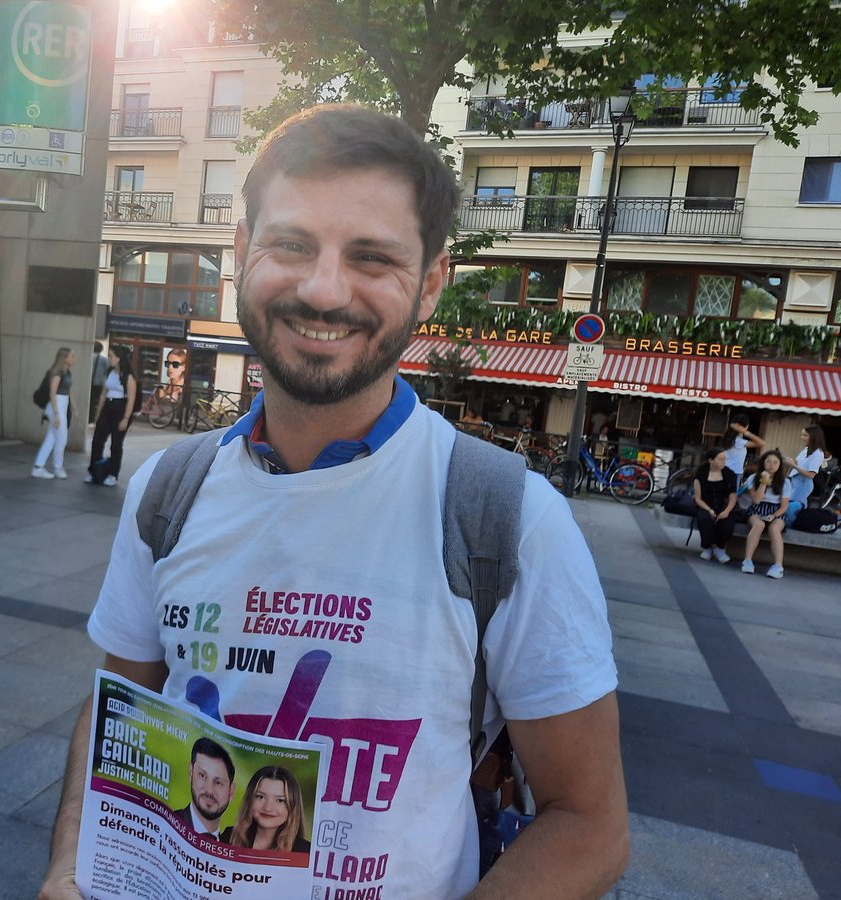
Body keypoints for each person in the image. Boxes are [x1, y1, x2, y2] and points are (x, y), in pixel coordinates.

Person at [39, 105, 627, 900]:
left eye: (372, 258)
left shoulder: (508, 520)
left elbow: (587, 823)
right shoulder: (167, 489)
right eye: (290, 245)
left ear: (429, 285)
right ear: (241, 252)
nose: (323, 290)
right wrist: (71, 867)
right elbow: (123, 706)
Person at [223, 766, 310, 853]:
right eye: (260, 797)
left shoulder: (304, 850)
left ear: (293, 807)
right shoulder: (229, 836)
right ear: (249, 800)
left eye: (280, 800)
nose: (268, 808)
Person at [85, 345, 136, 487]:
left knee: (116, 444)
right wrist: (98, 413)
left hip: (120, 408)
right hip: (108, 405)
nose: (109, 359)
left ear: (119, 358)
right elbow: (103, 393)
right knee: (97, 441)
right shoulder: (109, 372)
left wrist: (125, 419)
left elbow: (131, 399)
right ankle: (93, 471)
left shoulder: (129, 377)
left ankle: (113, 474)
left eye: (111, 356)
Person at [739, 449, 790, 578]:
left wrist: (773, 515)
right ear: (763, 463)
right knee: (758, 525)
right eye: (768, 462)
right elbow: (756, 500)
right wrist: (764, 482)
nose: (772, 465)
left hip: (776, 510)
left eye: (775, 462)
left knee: (774, 528)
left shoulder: (785, 482)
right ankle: (748, 561)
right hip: (758, 508)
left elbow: (784, 506)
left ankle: (778, 566)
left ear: (779, 465)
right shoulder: (752, 478)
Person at [171, 737, 235, 839]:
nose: (209, 790)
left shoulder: (233, 843)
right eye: (202, 776)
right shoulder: (169, 824)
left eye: (218, 783)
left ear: (231, 791)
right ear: (191, 773)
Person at [33, 347, 76, 479]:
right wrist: (57, 414)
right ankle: (58, 468)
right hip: (56, 409)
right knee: (61, 439)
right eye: (72, 356)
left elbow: (68, 391)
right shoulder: (57, 373)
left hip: (60, 408)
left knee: (51, 438)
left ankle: (38, 466)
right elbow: (53, 393)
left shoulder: (66, 372)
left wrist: (74, 407)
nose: (74, 358)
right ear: (64, 358)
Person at [692, 447, 738, 563]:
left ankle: (720, 548)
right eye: (720, 459)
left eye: (725, 459)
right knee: (704, 519)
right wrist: (709, 509)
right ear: (711, 460)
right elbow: (698, 498)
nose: (724, 462)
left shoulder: (729, 474)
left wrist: (727, 511)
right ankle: (707, 547)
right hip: (705, 504)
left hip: (723, 506)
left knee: (727, 523)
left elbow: (733, 496)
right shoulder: (701, 475)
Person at [782, 424, 825, 507]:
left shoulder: (817, 453)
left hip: (803, 484)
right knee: (788, 505)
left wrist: (794, 465)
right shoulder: (806, 449)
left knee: (792, 507)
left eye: (805, 435)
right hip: (795, 481)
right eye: (802, 435)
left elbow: (811, 475)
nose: (802, 438)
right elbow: (798, 463)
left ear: (814, 437)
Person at [725, 414, 764, 492]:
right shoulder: (738, 441)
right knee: (731, 496)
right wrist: (745, 432)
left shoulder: (731, 439)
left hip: (728, 470)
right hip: (733, 473)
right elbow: (761, 443)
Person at [89, 341, 109, 422]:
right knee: (96, 402)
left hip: (89, 383)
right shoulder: (104, 360)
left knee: (90, 401)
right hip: (99, 383)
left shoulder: (88, 357)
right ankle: (94, 417)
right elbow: (107, 371)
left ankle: (89, 417)